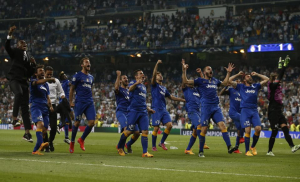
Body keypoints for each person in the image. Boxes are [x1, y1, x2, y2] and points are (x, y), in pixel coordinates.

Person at [182, 60, 237, 157]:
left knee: (223, 126)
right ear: (204, 72)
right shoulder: (200, 81)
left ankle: (229, 147)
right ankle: (201, 151)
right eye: (208, 69)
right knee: (204, 129)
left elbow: (224, 83)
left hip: (216, 107)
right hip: (206, 108)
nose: (211, 70)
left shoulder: (215, 80)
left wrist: (228, 72)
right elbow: (186, 81)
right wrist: (184, 70)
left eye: (211, 69)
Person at [5, 26, 36, 142]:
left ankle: (27, 133)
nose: (25, 45)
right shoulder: (15, 52)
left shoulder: (27, 56)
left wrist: (34, 64)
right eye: (22, 43)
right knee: (18, 93)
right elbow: (7, 47)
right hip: (14, 79)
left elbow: (31, 72)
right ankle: (14, 119)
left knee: (25, 108)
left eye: (25, 44)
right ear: (18, 46)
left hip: (24, 82)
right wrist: (9, 35)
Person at [116, 69, 155, 157]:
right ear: (136, 76)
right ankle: (119, 147)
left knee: (145, 131)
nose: (143, 74)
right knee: (128, 131)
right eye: (141, 73)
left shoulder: (144, 87)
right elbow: (129, 89)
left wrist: (148, 109)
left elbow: (142, 101)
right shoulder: (133, 83)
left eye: (143, 73)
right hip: (133, 111)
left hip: (143, 112)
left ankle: (145, 152)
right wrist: (137, 83)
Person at [230, 70, 269, 156]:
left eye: (250, 76)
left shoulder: (255, 86)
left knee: (258, 129)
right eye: (247, 76)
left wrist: (257, 74)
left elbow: (267, 79)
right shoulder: (241, 87)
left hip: (254, 110)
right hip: (245, 110)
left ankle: (253, 146)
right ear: (244, 80)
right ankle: (247, 151)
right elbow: (228, 81)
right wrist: (237, 74)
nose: (249, 77)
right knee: (247, 130)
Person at [266, 56, 300, 156]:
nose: (279, 81)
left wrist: (280, 65)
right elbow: (280, 76)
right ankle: (269, 151)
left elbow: (279, 75)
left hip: (278, 111)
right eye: (277, 79)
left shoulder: (276, 86)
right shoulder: (272, 86)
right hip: (273, 111)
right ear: (274, 80)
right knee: (275, 131)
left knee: (285, 128)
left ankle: (292, 146)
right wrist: (284, 66)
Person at [151, 60, 185, 151]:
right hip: (156, 109)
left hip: (163, 109)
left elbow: (171, 97)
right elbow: (154, 74)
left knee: (169, 125)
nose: (160, 75)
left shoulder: (164, 88)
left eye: (161, 74)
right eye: (158, 75)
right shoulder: (154, 85)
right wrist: (157, 64)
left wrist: (182, 100)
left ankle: (161, 142)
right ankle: (153, 146)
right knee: (156, 128)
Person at [69, 57, 96, 153]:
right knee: (76, 123)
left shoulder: (91, 77)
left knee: (92, 122)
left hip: (89, 102)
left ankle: (81, 139)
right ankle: (72, 142)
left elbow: (90, 89)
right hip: (80, 102)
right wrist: (70, 101)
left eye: (89, 62)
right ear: (82, 65)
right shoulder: (77, 76)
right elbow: (72, 89)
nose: (89, 64)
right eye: (86, 62)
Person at [182, 66, 209, 155]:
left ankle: (188, 149)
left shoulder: (197, 90)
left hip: (199, 111)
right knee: (199, 125)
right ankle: (202, 143)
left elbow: (203, 83)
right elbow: (183, 81)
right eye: (189, 81)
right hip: (192, 110)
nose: (190, 82)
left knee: (195, 132)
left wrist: (201, 73)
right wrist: (184, 70)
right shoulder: (186, 89)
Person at [30, 65, 55, 155]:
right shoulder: (33, 81)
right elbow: (37, 83)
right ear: (36, 73)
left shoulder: (45, 85)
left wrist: (50, 105)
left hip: (45, 108)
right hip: (36, 106)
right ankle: (40, 144)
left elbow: (47, 96)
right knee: (40, 124)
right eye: (40, 71)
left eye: (43, 71)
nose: (42, 72)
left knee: (44, 130)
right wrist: (49, 79)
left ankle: (35, 150)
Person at [115, 70, 140, 154]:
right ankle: (120, 147)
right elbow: (116, 88)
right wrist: (118, 76)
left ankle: (128, 144)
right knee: (126, 129)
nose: (126, 79)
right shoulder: (119, 90)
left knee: (137, 133)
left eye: (127, 78)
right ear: (121, 81)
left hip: (130, 113)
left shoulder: (129, 91)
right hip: (121, 112)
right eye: (124, 78)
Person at [219, 78, 244, 154]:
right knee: (245, 120)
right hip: (233, 112)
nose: (238, 83)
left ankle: (236, 148)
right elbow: (221, 93)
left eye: (239, 82)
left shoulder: (242, 91)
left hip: (239, 113)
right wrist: (226, 86)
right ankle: (242, 138)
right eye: (237, 82)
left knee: (240, 129)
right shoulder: (231, 90)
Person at [45, 66, 65, 152]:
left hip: (53, 105)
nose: (49, 75)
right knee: (44, 127)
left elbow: (61, 91)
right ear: (44, 73)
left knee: (53, 127)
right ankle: (46, 145)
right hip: (44, 105)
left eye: (51, 74)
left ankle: (50, 141)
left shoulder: (56, 81)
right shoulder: (41, 81)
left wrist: (62, 96)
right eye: (48, 74)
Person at [59, 71, 74, 144]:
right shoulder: (66, 82)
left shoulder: (60, 83)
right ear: (63, 77)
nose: (66, 76)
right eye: (64, 75)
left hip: (61, 102)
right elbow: (71, 83)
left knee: (66, 119)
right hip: (65, 102)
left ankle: (66, 137)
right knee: (67, 119)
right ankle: (58, 127)